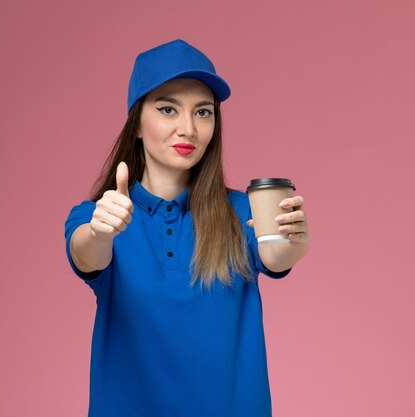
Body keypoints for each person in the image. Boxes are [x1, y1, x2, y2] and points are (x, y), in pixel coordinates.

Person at [63, 39, 310, 417]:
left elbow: (274, 254)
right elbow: (86, 253)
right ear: (138, 124)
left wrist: (291, 241)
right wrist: (100, 232)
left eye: (203, 112)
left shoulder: (240, 210)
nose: (189, 129)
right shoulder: (99, 216)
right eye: (167, 109)